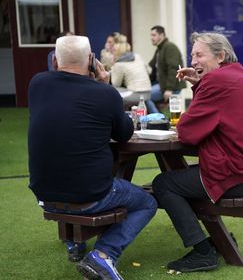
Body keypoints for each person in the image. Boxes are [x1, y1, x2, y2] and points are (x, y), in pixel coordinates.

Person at [28, 35, 157, 280]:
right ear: (91, 60)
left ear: (55, 60)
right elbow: (125, 133)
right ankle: (104, 254)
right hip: (91, 195)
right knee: (147, 202)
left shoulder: (37, 84)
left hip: (44, 195)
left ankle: (75, 242)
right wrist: (105, 84)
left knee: (76, 176)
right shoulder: (104, 94)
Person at [152, 32, 243, 273]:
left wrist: (202, 85)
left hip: (242, 171)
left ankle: (203, 252)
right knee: (181, 178)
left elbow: (189, 132)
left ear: (221, 56)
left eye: (200, 55)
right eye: (192, 55)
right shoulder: (237, 74)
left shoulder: (217, 80)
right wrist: (199, 83)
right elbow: (215, 114)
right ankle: (216, 240)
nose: (194, 61)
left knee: (164, 184)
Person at [147, 25, 186, 113]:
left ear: (162, 35)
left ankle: (158, 119)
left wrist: (169, 89)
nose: (151, 38)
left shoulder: (169, 47)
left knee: (145, 96)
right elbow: (152, 68)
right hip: (162, 85)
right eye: (151, 35)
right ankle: (160, 119)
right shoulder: (160, 49)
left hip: (171, 87)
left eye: (154, 35)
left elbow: (174, 68)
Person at [110, 37, 152, 105]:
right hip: (148, 93)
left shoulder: (119, 64)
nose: (112, 52)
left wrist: (113, 65)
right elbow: (149, 71)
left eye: (114, 50)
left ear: (118, 52)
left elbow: (115, 84)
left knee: (111, 92)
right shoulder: (137, 56)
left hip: (135, 94)